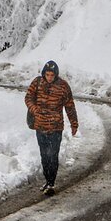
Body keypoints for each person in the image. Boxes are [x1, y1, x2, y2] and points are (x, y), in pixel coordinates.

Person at [25, 60, 78, 196]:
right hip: (40, 126)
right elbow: (28, 98)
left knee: (53, 155)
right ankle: (47, 180)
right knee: (44, 155)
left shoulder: (63, 86)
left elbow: (70, 106)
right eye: (47, 74)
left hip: (55, 127)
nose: (49, 77)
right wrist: (34, 109)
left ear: (56, 75)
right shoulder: (37, 83)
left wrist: (74, 123)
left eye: (52, 75)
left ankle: (51, 183)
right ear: (44, 73)